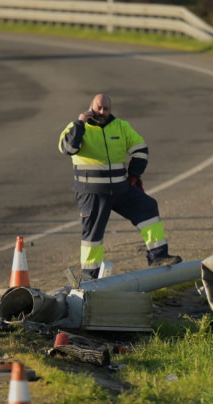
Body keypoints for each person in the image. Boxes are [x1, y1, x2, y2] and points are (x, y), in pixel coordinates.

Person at [58, 93, 182, 279]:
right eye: (98, 108)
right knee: (94, 231)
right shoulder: (76, 126)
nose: (102, 112)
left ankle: (158, 255)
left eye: (105, 108)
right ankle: (92, 274)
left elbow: (140, 149)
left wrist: (134, 176)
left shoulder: (121, 126)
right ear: (90, 107)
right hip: (92, 192)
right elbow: (68, 149)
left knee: (147, 207)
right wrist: (80, 123)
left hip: (119, 188)